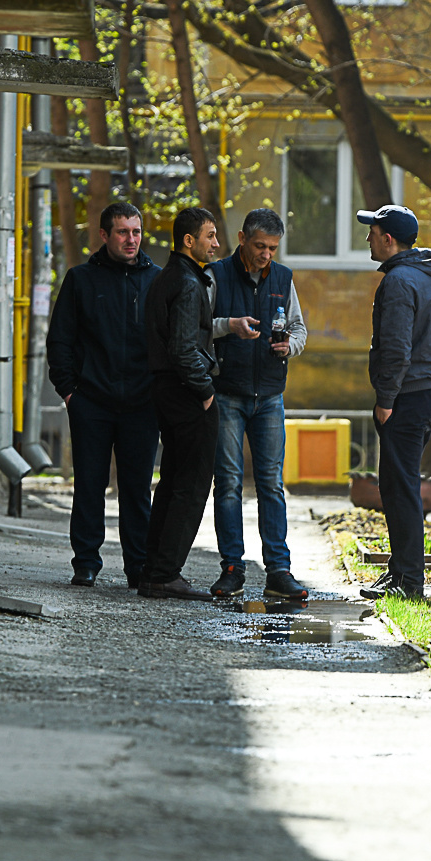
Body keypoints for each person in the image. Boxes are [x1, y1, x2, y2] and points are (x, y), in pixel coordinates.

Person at [47, 202, 161, 588]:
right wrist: (69, 393)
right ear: (104, 236)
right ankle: (86, 562)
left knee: (136, 488)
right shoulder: (80, 280)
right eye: (123, 232)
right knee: (90, 485)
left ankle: (138, 566)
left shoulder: (157, 281)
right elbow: (60, 340)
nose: (131, 239)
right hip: (91, 402)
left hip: (142, 405)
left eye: (136, 232)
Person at [208, 208, 309, 600]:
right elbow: (200, 325)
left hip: (269, 395)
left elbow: (299, 328)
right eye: (260, 246)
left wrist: (290, 347)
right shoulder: (216, 275)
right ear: (242, 239)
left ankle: (279, 571)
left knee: (271, 484)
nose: (267, 254)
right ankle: (232, 568)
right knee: (229, 484)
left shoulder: (283, 278)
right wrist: (228, 325)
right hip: (227, 393)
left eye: (272, 248)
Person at [355, 203, 431, 601]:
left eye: (373, 232)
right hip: (427, 392)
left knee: (400, 488)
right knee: (399, 485)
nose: (368, 238)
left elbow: (394, 348)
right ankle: (400, 571)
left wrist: (386, 399)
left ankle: (409, 580)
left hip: (406, 397)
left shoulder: (398, 282)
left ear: (388, 239)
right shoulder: (430, 277)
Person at [139, 206, 223, 600]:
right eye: (210, 235)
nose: (216, 243)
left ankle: (154, 569)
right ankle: (164, 573)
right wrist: (205, 392)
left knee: (172, 481)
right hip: (188, 394)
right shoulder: (188, 283)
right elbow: (184, 349)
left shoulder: (165, 276)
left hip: (165, 390)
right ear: (189, 241)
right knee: (190, 486)